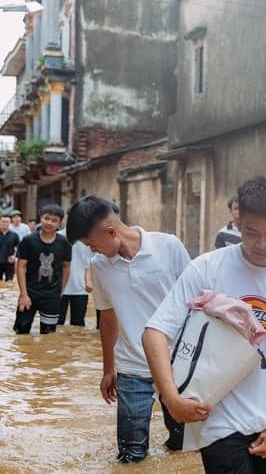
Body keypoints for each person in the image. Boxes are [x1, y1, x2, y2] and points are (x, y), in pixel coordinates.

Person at [143, 177, 266, 474]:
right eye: (252, 232)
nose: (262, 244)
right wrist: (170, 398)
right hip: (217, 419)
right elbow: (155, 332)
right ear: (237, 218)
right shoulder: (206, 268)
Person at [66, 196, 189, 463]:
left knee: (184, 447)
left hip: (178, 364)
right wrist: (108, 369)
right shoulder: (99, 267)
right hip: (132, 367)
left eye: (93, 245)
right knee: (131, 456)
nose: (93, 252)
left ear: (111, 232)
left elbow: (195, 303)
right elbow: (107, 319)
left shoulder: (169, 246)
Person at [13, 205, 72, 335]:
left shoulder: (64, 243)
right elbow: (21, 267)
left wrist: (61, 292)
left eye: (54, 220)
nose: (49, 222)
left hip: (52, 296)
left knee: (49, 336)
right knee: (21, 333)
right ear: (41, 218)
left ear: (59, 222)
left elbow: (66, 267)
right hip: (29, 294)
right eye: (46, 218)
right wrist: (23, 294)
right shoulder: (28, 240)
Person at [58, 239, 93, 327]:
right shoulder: (59, 237)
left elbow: (88, 265)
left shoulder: (85, 241)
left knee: (78, 326)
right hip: (59, 289)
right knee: (56, 324)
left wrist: (88, 281)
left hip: (80, 289)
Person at [0, 216, 21, 285]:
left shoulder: (14, 235)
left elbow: (19, 248)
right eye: (3, 221)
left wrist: (14, 256)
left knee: (9, 283)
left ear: (10, 223)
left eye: (7, 222)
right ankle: (0, 296)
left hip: (10, 263)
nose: (5, 223)